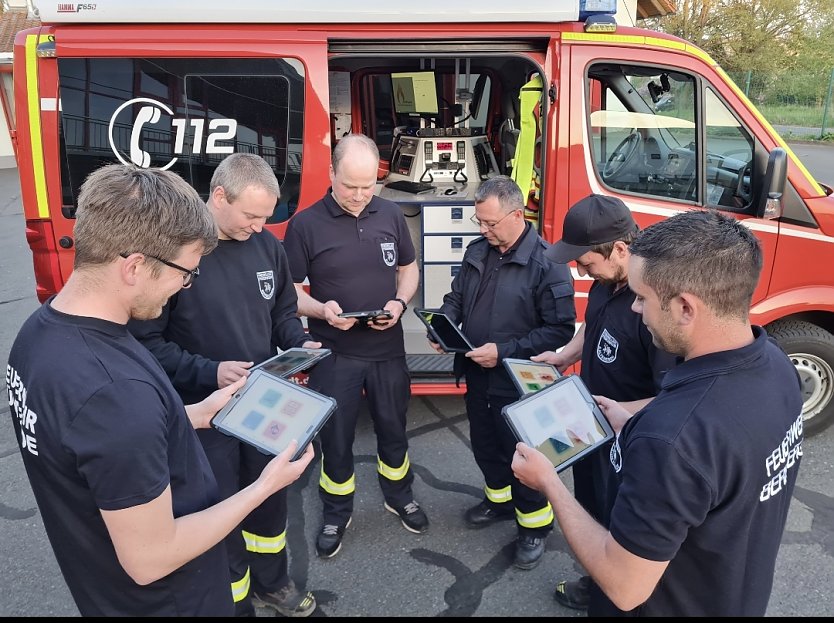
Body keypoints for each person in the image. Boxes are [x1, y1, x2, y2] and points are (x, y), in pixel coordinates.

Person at [5, 163, 314, 617]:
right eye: (184, 272)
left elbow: (101, 443)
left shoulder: (39, 336)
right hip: (169, 602)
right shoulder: (113, 393)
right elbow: (151, 559)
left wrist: (196, 413)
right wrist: (264, 487)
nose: (183, 286)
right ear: (134, 267)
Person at [512, 210, 803, 616]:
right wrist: (631, 419)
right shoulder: (777, 366)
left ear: (686, 307)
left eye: (643, 298)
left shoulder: (670, 440)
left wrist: (549, 483)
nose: (634, 310)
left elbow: (625, 586)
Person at [128, 153, 319, 617]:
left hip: (265, 400)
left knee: (270, 500)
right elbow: (146, 344)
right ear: (218, 197)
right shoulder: (176, 255)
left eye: (265, 216)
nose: (259, 225)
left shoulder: (267, 247)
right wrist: (209, 372)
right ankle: (232, 598)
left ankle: (273, 583)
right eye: (251, 215)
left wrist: (299, 345)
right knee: (220, 508)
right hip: (205, 411)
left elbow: (282, 313)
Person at [282, 133, 426, 558]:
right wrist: (321, 309)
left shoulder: (390, 214)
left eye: (368, 187)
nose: (360, 196)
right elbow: (290, 293)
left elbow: (409, 268)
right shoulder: (305, 224)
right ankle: (335, 512)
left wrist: (399, 303)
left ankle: (399, 495)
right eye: (350, 186)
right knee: (337, 438)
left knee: (393, 429)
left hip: (387, 349)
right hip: (335, 351)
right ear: (331, 174)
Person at [533, 194, 675, 611]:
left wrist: (623, 414)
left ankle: (616, 598)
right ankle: (596, 581)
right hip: (589, 426)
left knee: (620, 526)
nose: (580, 270)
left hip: (628, 441)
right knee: (591, 509)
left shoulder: (655, 306)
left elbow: (675, 398)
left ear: (620, 249)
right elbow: (592, 327)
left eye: (586, 262)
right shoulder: (606, 280)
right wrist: (564, 356)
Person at [432, 175, 576, 570]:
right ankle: (498, 501)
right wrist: (444, 323)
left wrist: (506, 352)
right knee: (486, 446)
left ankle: (533, 527)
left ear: (516, 215)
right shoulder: (479, 251)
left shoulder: (548, 263)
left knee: (525, 456)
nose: (483, 229)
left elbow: (560, 328)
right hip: (477, 375)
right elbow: (457, 298)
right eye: (479, 221)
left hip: (518, 382)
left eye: (490, 223)